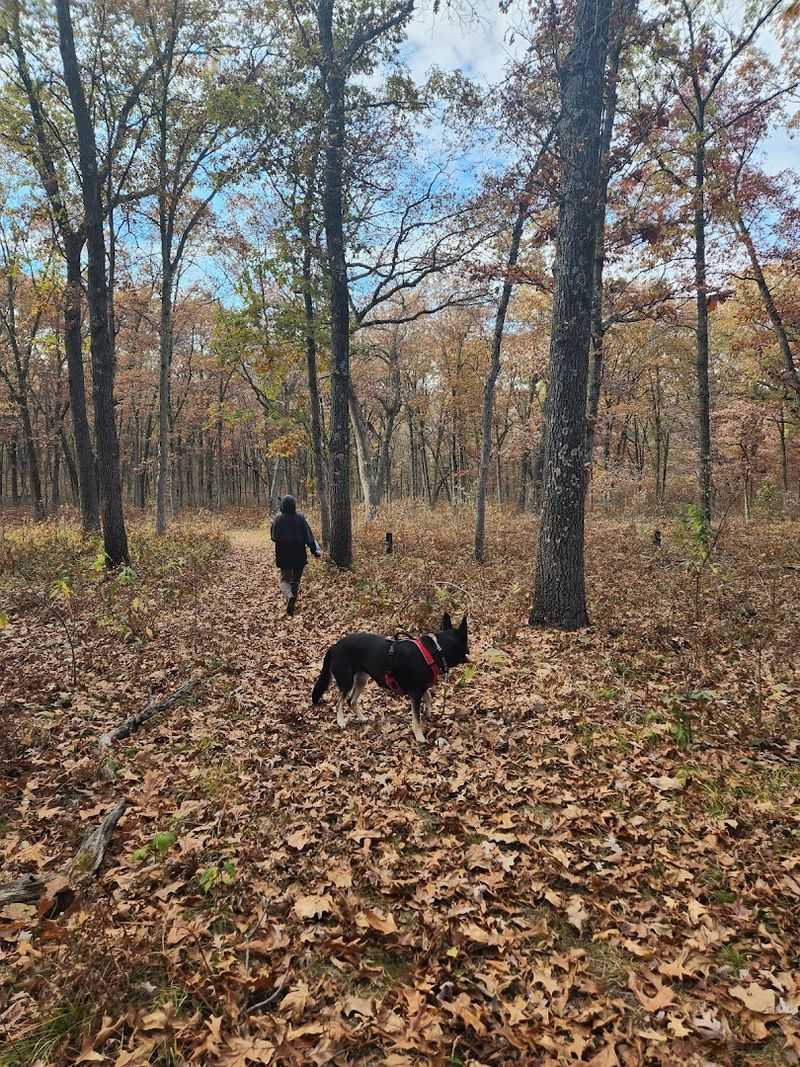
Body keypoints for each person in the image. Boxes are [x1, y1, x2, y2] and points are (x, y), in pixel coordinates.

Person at [270, 495, 321, 616]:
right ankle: (291, 606)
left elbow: (273, 537)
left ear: (282, 506)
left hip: (283, 555)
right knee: (296, 581)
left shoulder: (277, 519)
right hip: (299, 555)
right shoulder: (301, 518)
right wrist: (315, 551)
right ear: (294, 505)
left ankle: (289, 596)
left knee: (285, 580)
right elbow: (309, 537)